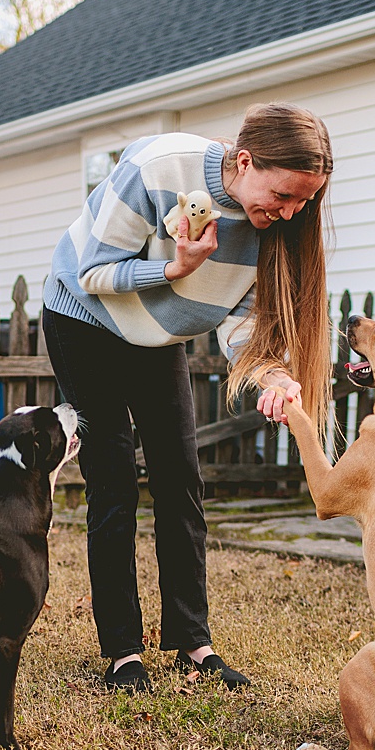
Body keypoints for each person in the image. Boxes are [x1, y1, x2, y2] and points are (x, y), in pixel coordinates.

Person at [41, 102, 334, 692]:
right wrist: (174, 270)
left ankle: (192, 643)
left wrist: (273, 376)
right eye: (283, 195)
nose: (290, 212)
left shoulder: (273, 227)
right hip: (83, 317)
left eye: (304, 201)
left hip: (158, 333)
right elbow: (93, 272)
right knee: (114, 475)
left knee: (180, 477)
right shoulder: (157, 169)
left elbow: (241, 325)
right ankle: (123, 652)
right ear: (245, 161)